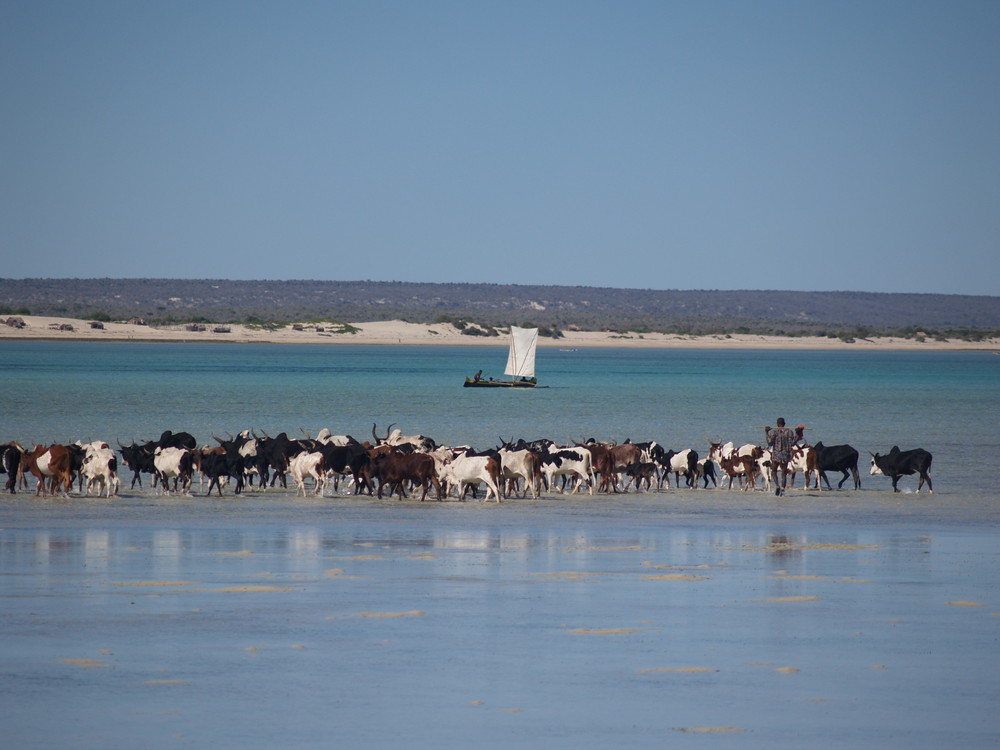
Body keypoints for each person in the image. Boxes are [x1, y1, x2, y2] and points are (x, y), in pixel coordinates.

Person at [764, 417, 797, 496]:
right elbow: (792, 443)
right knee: (784, 473)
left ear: (777, 424)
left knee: (774, 471)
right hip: (785, 455)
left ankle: (777, 485)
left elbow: (769, 443)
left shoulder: (774, 432)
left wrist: (766, 432)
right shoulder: (790, 432)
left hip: (776, 454)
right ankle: (782, 488)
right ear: (784, 424)